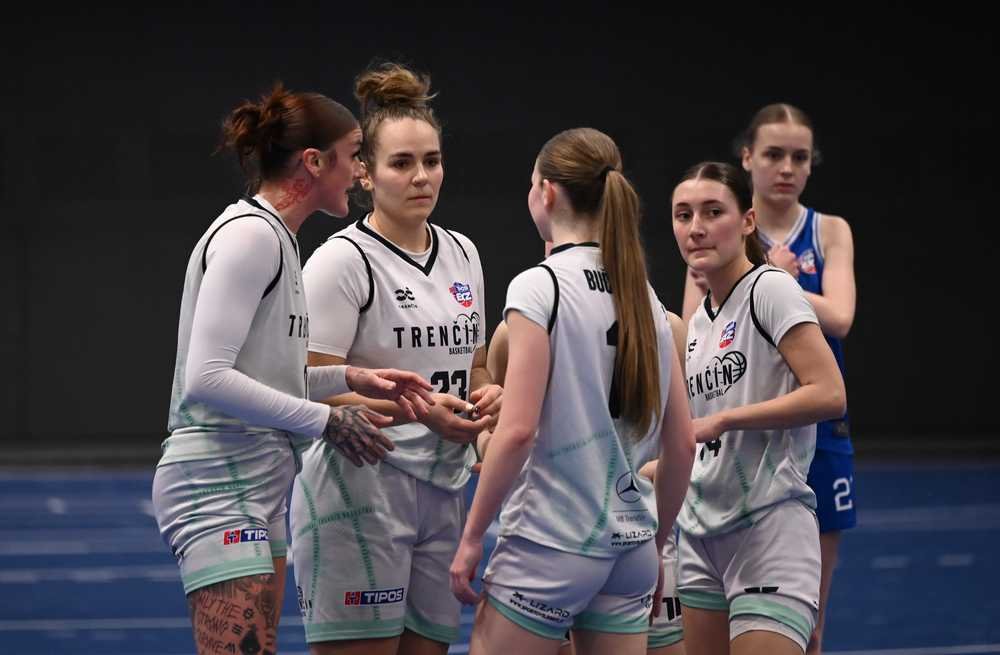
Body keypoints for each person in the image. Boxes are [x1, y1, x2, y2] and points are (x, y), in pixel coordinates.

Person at [152, 83, 435, 655]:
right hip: (216, 481)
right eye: (353, 155)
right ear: (314, 162)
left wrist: (349, 379)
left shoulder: (278, 238)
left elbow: (261, 376)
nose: (360, 171)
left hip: (257, 479)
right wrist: (326, 420)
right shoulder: (252, 235)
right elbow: (208, 378)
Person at [449, 127, 696, 655]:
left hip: (552, 543)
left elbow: (517, 431)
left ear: (547, 192)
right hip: (631, 550)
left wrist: (471, 537)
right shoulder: (645, 297)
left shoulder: (539, 286)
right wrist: (654, 546)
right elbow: (681, 445)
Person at [288, 62, 502, 655]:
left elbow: (475, 366)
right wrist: (420, 411)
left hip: (444, 491)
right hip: (360, 494)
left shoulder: (463, 252)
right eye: (402, 163)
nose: (421, 177)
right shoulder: (342, 260)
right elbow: (307, 386)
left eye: (432, 161)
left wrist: (489, 396)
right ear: (365, 171)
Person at [670, 161, 846, 655]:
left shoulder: (770, 289)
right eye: (683, 215)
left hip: (769, 530)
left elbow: (829, 393)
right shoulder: (698, 323)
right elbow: (696, 438)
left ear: (747, 221)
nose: (696, 227)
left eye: (713, 212)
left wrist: (725, 420)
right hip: (700, 535)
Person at [736, 103, 856, 655]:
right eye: (773, 154)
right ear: (747, 158)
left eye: (800, 157)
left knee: (810, 623)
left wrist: (774, 281)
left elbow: (841, 316)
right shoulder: (726, 226)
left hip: (817, 429)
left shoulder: (828, 230)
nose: (787, 168)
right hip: (744, 429)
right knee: (734, 611)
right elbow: (693, 327)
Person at [641, 308, 689, 655]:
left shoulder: (667, 327)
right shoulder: (527, 324)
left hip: (647, 536)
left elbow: (690, 441)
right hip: (561, 541)